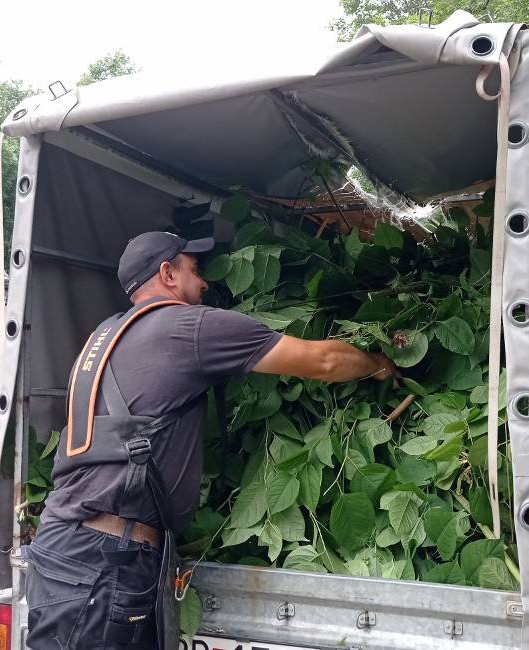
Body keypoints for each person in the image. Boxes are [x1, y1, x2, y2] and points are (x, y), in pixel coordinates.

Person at [23, 231, 396, 650]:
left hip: (62, 546)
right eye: (195, 270)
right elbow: (322, 360)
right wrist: (378, 364)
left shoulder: (102, 339)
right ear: (167, 273)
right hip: (106, 563)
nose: (204, 283)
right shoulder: (189, 327)